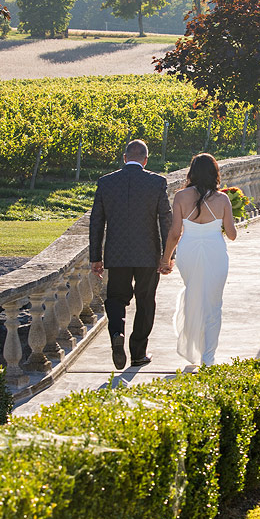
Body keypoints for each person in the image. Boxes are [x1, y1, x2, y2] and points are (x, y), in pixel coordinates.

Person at [89, 139, 172, 370]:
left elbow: (96, 221)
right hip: (148, 254)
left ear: (125, 158)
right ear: (146, 160)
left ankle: (117, 332)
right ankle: (138, 353)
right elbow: (166, 220)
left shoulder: (106, 183)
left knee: (116, 298)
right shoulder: (156, 182)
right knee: (146, 301)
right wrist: (167, 256)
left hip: (117, 255)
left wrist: (96, 256)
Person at [160, 153, 237, 367]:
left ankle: (195, 346)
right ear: (214, 173)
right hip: (215, 251)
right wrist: (224, 221)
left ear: (192, 172)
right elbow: (232, 235)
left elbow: (175, 233)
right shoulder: (222, 199)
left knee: (194, 291)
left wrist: (166, 260)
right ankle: (208, 356)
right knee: (213, 304)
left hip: (189, 251)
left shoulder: (181, 197)